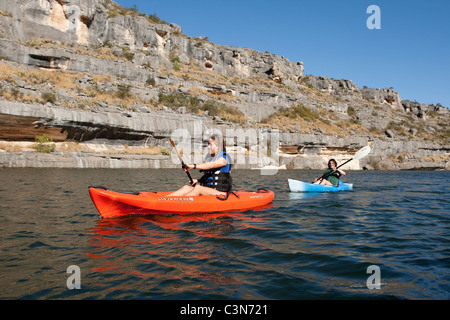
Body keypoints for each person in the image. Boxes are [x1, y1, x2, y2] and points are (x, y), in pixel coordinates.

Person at [166, 135, 232, 197]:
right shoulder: (209, 158)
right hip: (208, 190)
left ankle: (179, 203)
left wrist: (193, 166)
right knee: (186, 188)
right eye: (208, 144)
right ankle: (164, 200)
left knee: (198, 188)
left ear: (218, 147)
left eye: (211, 145)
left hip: (221, 192)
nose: (208, 147)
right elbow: (210, 176)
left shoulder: (224, 158)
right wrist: (198, 180)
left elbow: (211, 166)